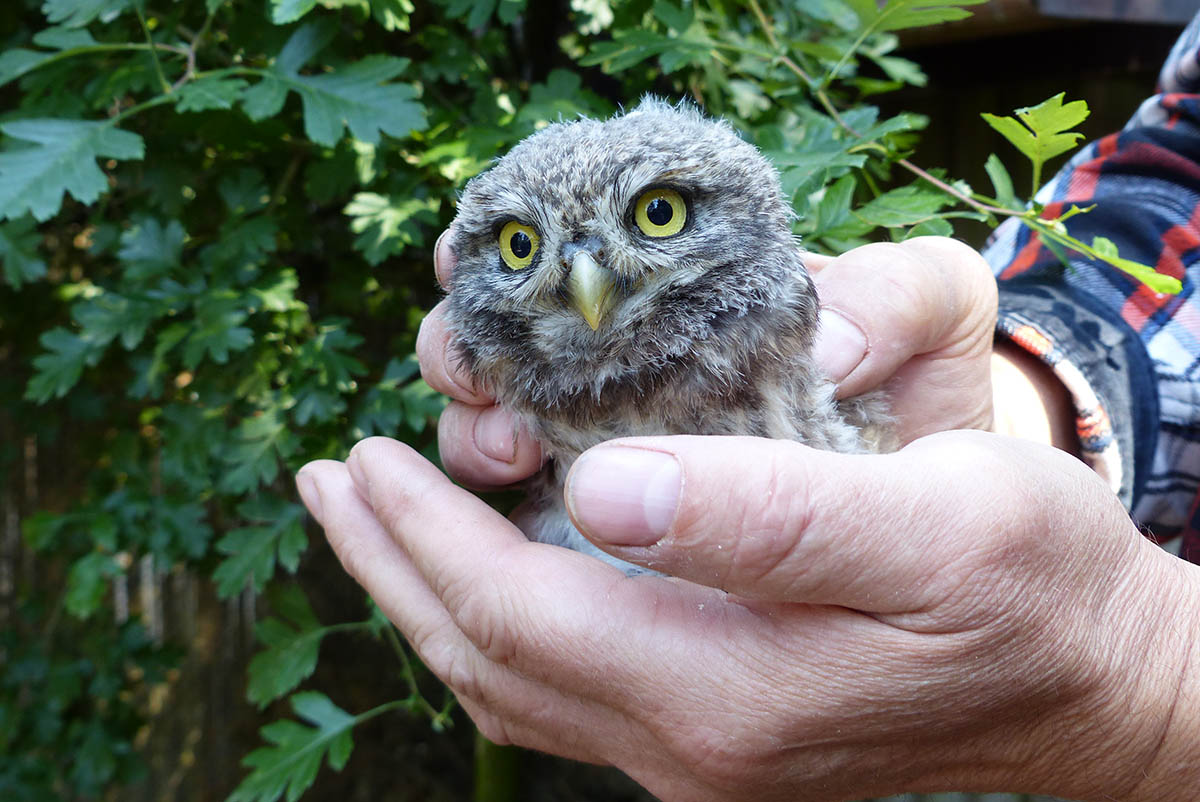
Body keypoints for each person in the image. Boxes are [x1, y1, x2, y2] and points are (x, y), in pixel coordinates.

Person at [294, 12, 1200, 801]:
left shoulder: (763, 320)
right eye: (524, 245)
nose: (587, 281)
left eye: (655, 217)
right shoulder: (525, 365)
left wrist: (1152, 693)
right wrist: (1023, 408)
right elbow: (1176, 180)